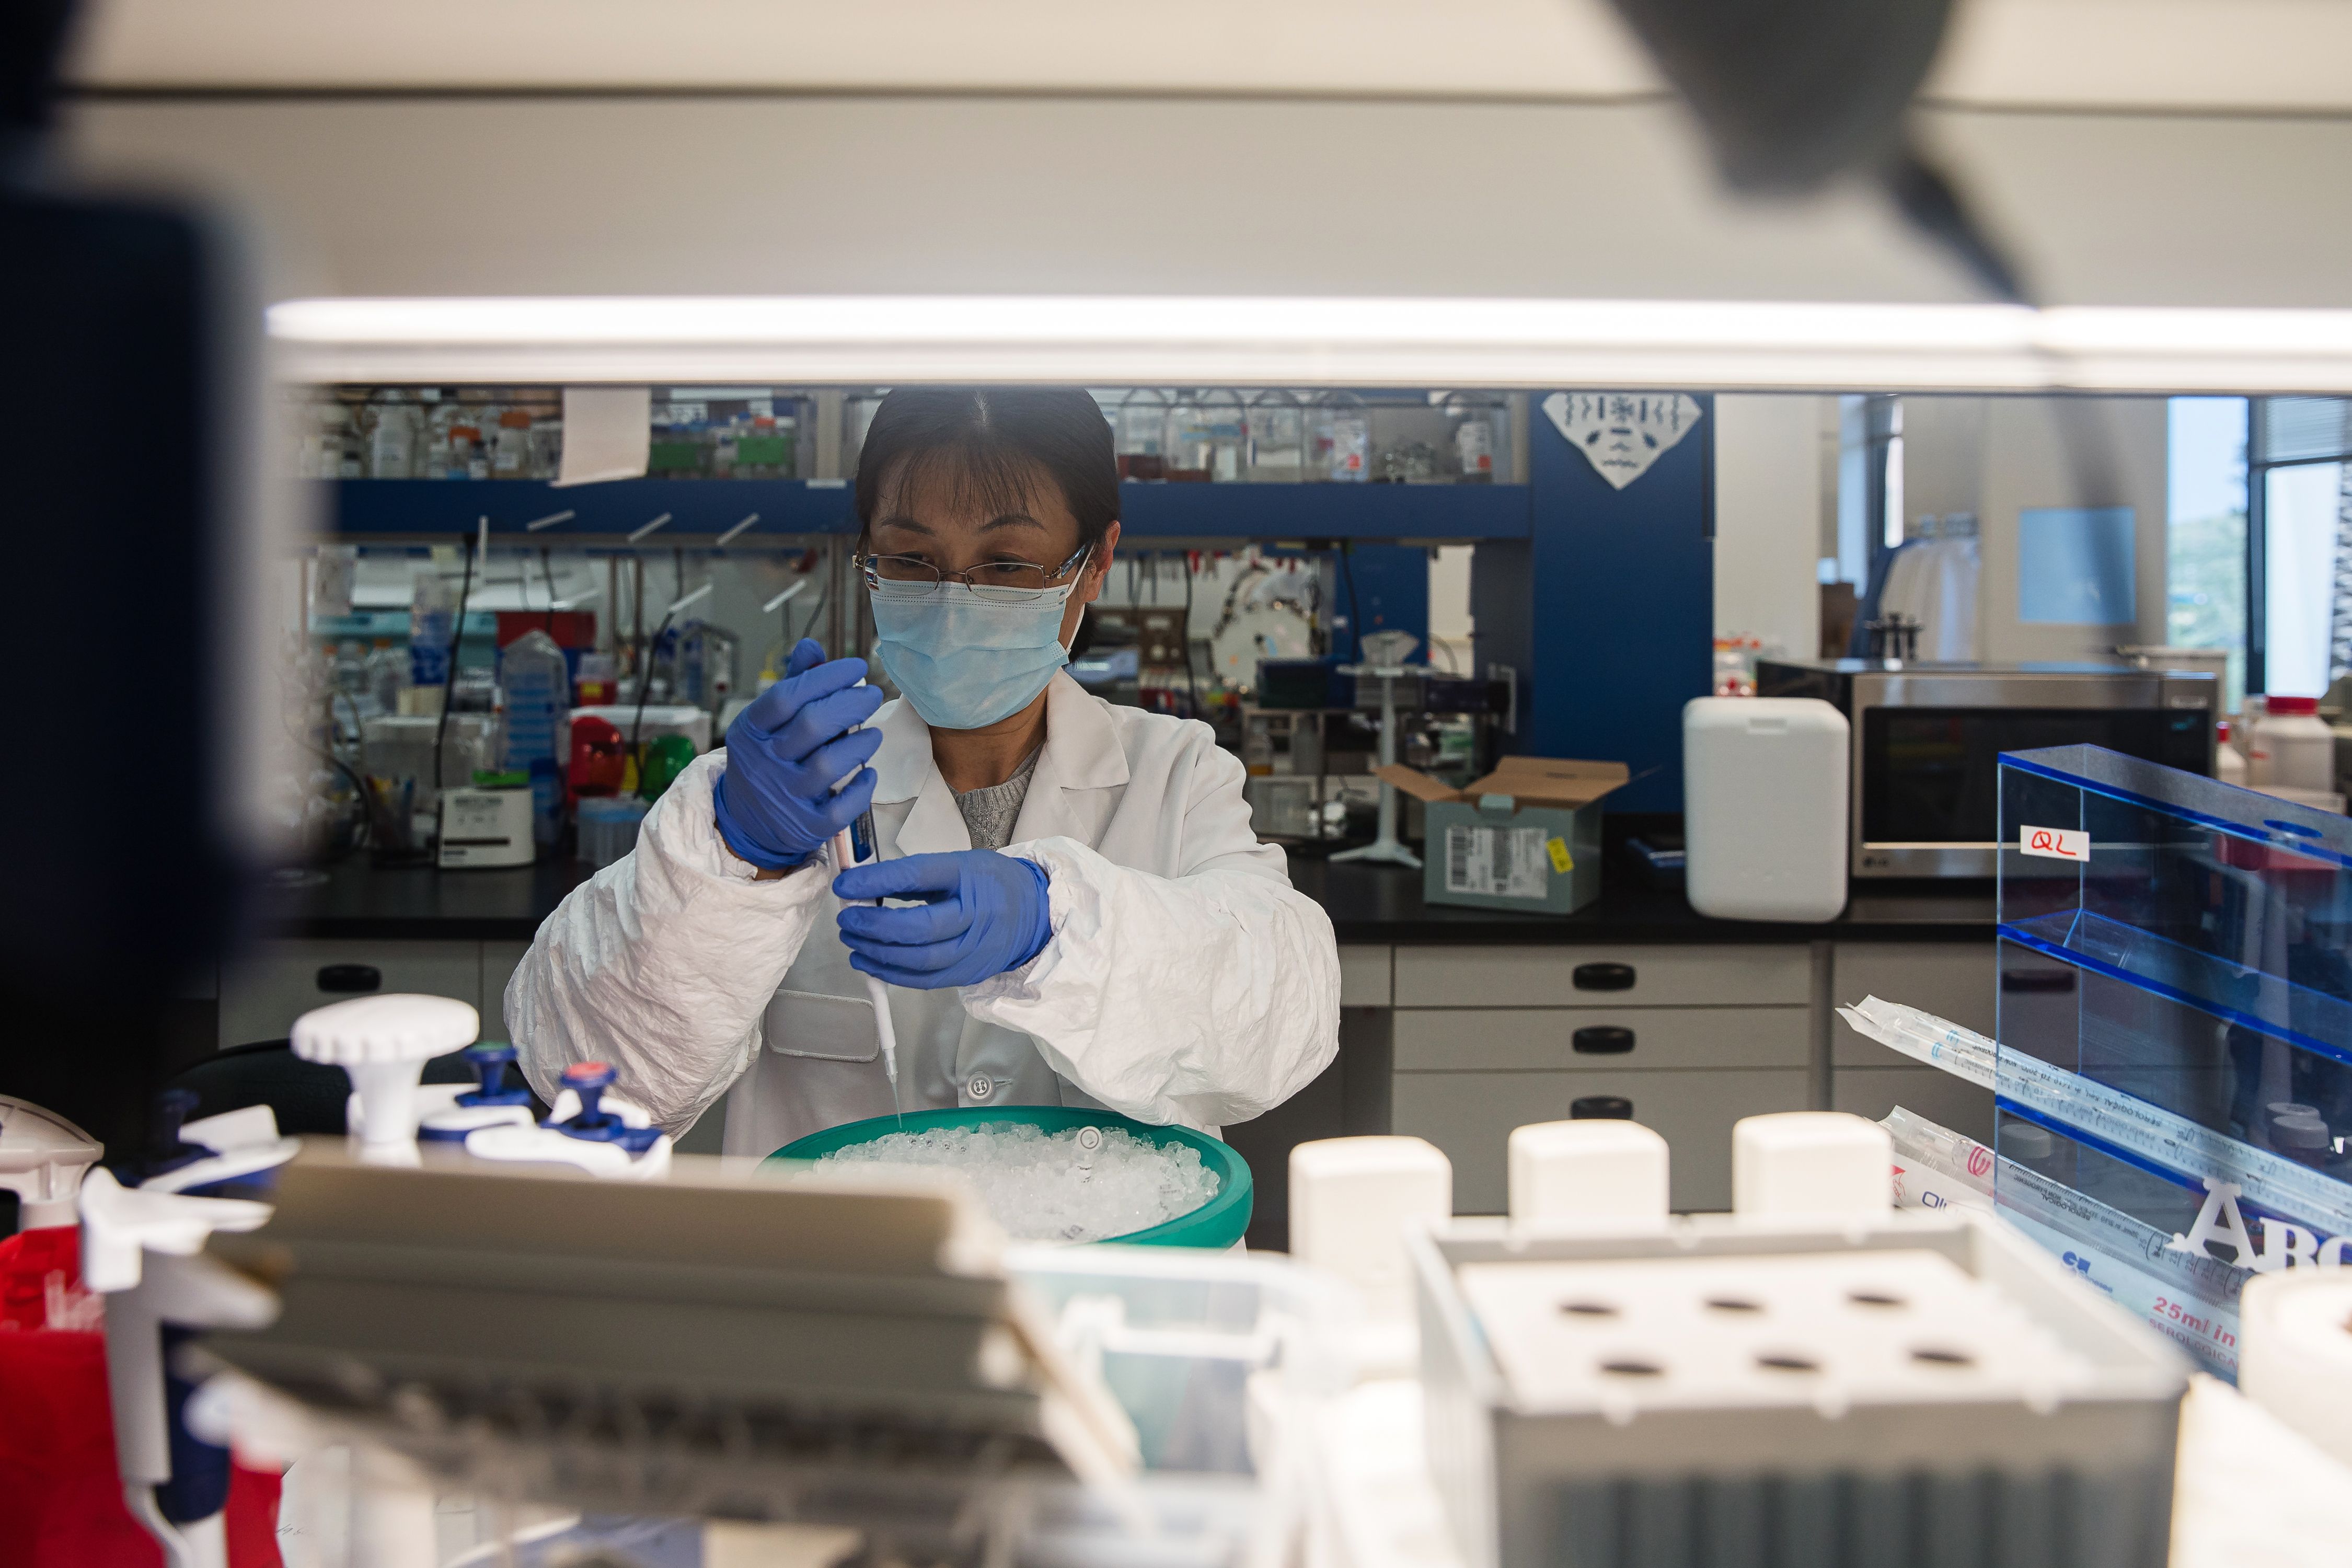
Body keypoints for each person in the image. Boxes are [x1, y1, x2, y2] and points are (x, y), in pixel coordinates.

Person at [507, 387, 1341, 1155]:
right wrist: (734, 857)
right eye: (910, 560)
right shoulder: (775, 799)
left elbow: (1287, 1023)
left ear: (1095, 561)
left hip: (1112, 1298)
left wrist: (1060, 925)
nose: (952, 599)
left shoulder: (1176, 774)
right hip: (855, 1305)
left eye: (1008, 565)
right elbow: (588, 1078)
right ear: (867, 554)